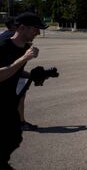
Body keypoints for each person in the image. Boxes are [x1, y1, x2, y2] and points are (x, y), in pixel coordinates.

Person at [0, 12, 47, 169]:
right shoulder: (3, 45)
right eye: (35, 29)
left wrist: (33, 76)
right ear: (22, 28)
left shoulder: (25, 47)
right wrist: (24, 59)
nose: (38, 33)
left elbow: (16, 71)